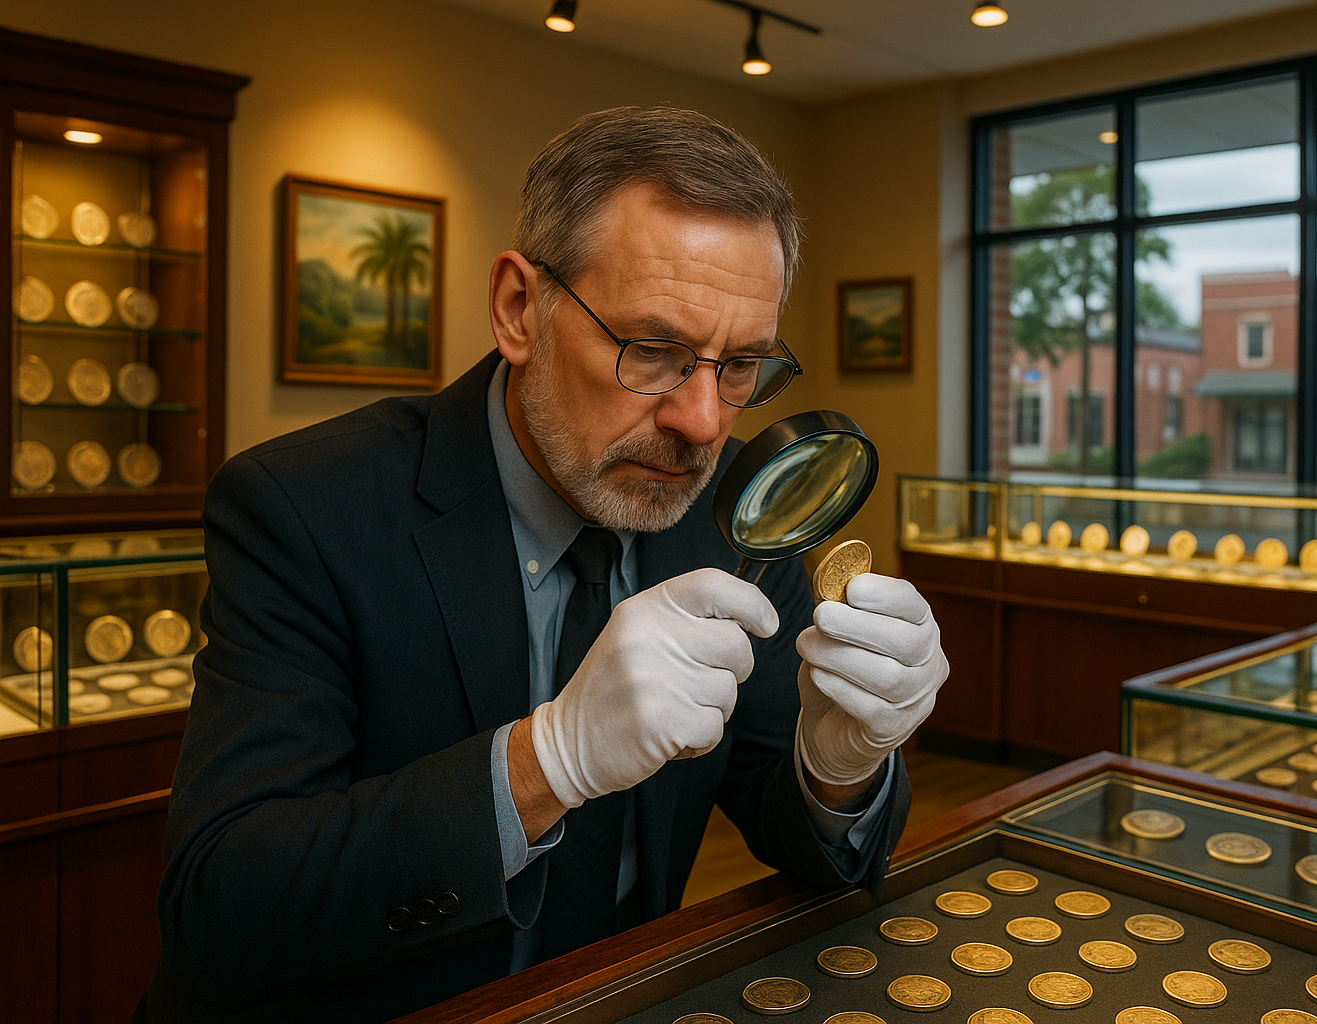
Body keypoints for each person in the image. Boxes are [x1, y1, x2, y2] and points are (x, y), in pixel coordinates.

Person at [143, 106, 948, 1024]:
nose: (703, 424)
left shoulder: (735, 508)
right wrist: (545, 764)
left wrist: (840, 766)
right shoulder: (305, 507)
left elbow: (794, 824)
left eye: (742, 366)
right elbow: (222, 908)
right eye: (653, 351)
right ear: (519, 310)